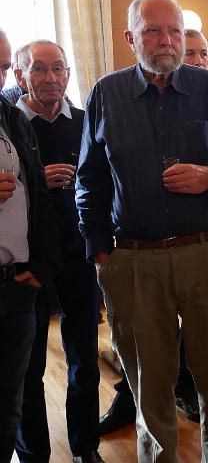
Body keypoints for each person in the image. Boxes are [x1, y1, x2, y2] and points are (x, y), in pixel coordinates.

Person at [76, 0, 208, 462]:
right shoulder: (106, 94)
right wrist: (101, 253)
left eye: (174, 30)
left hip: (207, 252)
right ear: (130, 37)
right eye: (153, 30)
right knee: (150, 391)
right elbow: (89, 180)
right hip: (134, 260)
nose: (167, 40)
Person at [13, 41, 103, 463]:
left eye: (58, 68)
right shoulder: (9, 127)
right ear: (19, 75)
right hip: (25, 263)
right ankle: (34, 455)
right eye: (38, 69)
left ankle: (86, 447)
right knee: (27, 369)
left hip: (78, 256)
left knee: (84, 359)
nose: (50, 78)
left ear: (68, 73)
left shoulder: (86, 123)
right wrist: (35, 182)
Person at [0, 29, 62, 463]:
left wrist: (40, 266)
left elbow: (37, 197)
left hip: (17, 285)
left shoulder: (11, 117)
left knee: (10, 403)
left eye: (2, 66)